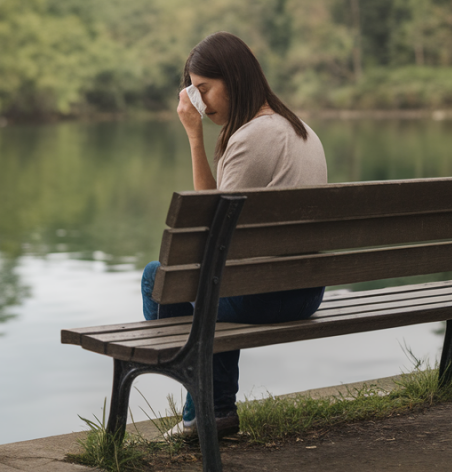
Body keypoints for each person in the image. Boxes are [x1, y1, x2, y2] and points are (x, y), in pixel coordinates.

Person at [140, 31, 328, 440]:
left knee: (158, 277)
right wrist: (199, 134)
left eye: (204, 89)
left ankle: (205, 407)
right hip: (307, 290)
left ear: (234, 78)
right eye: (195, 92)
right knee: (212, 288)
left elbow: (210, 234)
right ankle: (211, 407)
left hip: (264, 293)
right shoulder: (301, 130)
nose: (201, 104)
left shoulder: (249, 138)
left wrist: (194, 137)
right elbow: (219, 214)